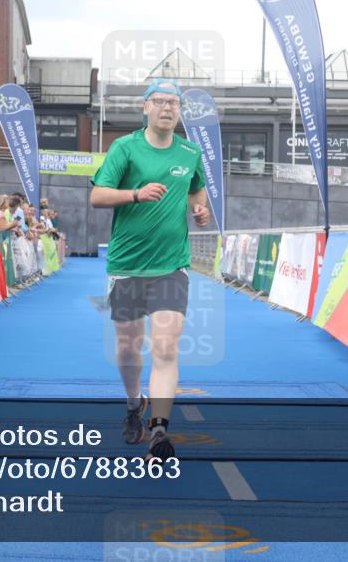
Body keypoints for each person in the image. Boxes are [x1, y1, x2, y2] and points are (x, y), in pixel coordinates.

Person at [89, 78, 209, 461]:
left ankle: (159, 431)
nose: (168, 109)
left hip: (172, 265)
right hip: (127, 264)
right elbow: (96, 195)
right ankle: (131, 403)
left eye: (174, 103)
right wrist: (136, 194)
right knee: (128, 347)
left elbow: (196, 188)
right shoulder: (125, 148)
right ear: (145, 107)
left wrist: (199, 208)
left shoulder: (190, 152)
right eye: (160, 102)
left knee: (165, 346)